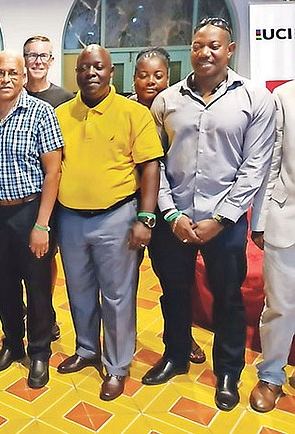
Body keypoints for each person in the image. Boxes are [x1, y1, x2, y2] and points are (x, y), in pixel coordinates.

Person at [143, 17, 275, 411]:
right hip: (175, 220)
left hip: (226, 223)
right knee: (174, 293)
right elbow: (155, 164)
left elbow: (256, 166)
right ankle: (176, 355)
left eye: (214, 46)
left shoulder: (254, 98)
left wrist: (222, 218)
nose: (205, 52)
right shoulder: (167, 101)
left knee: (228, 299)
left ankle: (229, 372)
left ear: (229, 50)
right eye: (198, 45)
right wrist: (169, 214)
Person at [54, 45, 163, 401]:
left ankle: (116, 366)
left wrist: (145, 217)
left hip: (117, 217)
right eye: (84, 67)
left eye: (98, 67)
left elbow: (150, 166)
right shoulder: (61, 114)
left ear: (111, 71)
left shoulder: (133, 113)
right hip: (70, 219)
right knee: (79, 292)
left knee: (117, 296)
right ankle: (87, 349)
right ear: (77, 73)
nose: (91, 73)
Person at [0, 50, 63, 389]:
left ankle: (39, 352)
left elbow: (53, 172)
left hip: (29, 212)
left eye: (12, 73)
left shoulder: (41, 113)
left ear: (23, 76)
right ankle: (12, 343)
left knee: (37, 287)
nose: (5, 79)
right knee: (4, 285)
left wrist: (42, 225)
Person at [131, 47, 206, 365]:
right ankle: (122, 338)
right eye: (144, 75)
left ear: (168, 76)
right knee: (123, 280)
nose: (151, 82)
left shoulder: (179, 109)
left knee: (174, 280)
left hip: (170, 211)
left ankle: (181, 338)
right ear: (134, 79)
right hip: (128, 209)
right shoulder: (125, 111)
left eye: (158, 75)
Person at [23, 35, 74, 342]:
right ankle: (29, 310)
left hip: (56, 194)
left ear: (51, 60)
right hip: (21, 196)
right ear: (24, 60)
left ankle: (45, 311)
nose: (38, 61)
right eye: (32, 56)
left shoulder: (65, 99)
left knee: (46, 255)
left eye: (44, 56)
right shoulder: (13, 94)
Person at [249, 80, 295, 412]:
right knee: (280, 306)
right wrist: (260, 220)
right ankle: (271, 375)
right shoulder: (284, 96)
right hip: (286, 217)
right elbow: (271, 162)